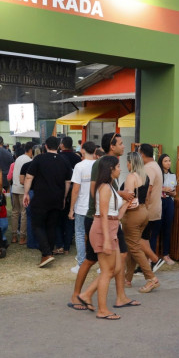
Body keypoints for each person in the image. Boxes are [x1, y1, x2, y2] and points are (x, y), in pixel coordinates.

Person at [71, 133, 137, 311]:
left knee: (119, 257)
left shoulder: (110, 164)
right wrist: (112, 202)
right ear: (111, 145)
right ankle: (79, 295)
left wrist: (121, 201)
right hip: (98, 219)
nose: (124, 146)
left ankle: (119, 296)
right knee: (93, 261)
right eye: (121, 144)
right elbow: (96, 190)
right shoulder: (103, 164)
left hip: (108, 219)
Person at [88, 156, 133, 320]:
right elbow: (104, 216)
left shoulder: (110, 187)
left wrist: (127, 204)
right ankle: (102, 309)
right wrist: (107, 239)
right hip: (104, 230)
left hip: (111, 228)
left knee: (116, 269)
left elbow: (116, 215)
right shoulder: (105, 188)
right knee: (107, 271)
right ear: (110, 169)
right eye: (118, 166)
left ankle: (90, 298)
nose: (120, 169)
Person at [23, 136, 72, 267]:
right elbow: (68, 182)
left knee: (37, 225)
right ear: (59, 146)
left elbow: (29, 177)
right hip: (57, 197)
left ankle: (46, 253)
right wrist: (64, 197)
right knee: (51, 226)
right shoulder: (64, 160)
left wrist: (26, 193)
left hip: (41, 197)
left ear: (45, 146)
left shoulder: (39, 159)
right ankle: (48, 252)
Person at [122, 152, 160, 293]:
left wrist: (120, 212)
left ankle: (151, 278)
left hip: (133, 214)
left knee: (134, 247)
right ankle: (128, 278)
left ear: (131, 163)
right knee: (133, 245)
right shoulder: (146, 177)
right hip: (144, 212)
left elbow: (128, 198)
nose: (126, 165)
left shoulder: (131, 177)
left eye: (127, 162)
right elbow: (148, 197)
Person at [68, 141, 97, 274]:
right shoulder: (99, 165)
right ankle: (102, 265)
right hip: (96, 207)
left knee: (80, 234)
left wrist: (71, 208)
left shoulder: (79, 166)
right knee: (96, 235)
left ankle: (81, 263)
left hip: (81, 206)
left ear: (83, 150)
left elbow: (75, 189)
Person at [139, 144, 165, 272]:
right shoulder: (155, 166)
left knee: (144, 239)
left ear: (142, 154)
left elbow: (147, 190)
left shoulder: (148, 168)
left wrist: (142, 206)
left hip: (149, 209)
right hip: (155, 208)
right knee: (147, 238)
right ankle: (146, 264)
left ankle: (153, 261)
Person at [56, 136, 81, 255]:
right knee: (70, 219)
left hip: (60, 191)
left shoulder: (58, 157)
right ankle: (67, 247)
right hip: (74, 191)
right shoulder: (77, 158)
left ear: (62, 145)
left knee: (59, 219)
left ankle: (60, 244)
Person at [153, 153, 177, 266]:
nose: (168, 163)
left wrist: (170, 192)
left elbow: (175, 192)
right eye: (165, 161)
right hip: (159, 202)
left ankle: (166, 254)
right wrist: (164, 189)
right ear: (161, 163)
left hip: (169, 202)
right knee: (156, 228)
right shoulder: (158, 175)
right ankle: (152, 256)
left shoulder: (173, 175)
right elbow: (154, 188)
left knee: (167, 228)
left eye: (169, 161)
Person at [10, 142, 34, 245]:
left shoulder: (18, 158)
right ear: (31, 150)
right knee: (24, 213)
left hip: (14, 188)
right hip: (22, 189)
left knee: (15, 212)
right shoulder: (29, 160)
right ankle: (22, 237)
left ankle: (14, 236)